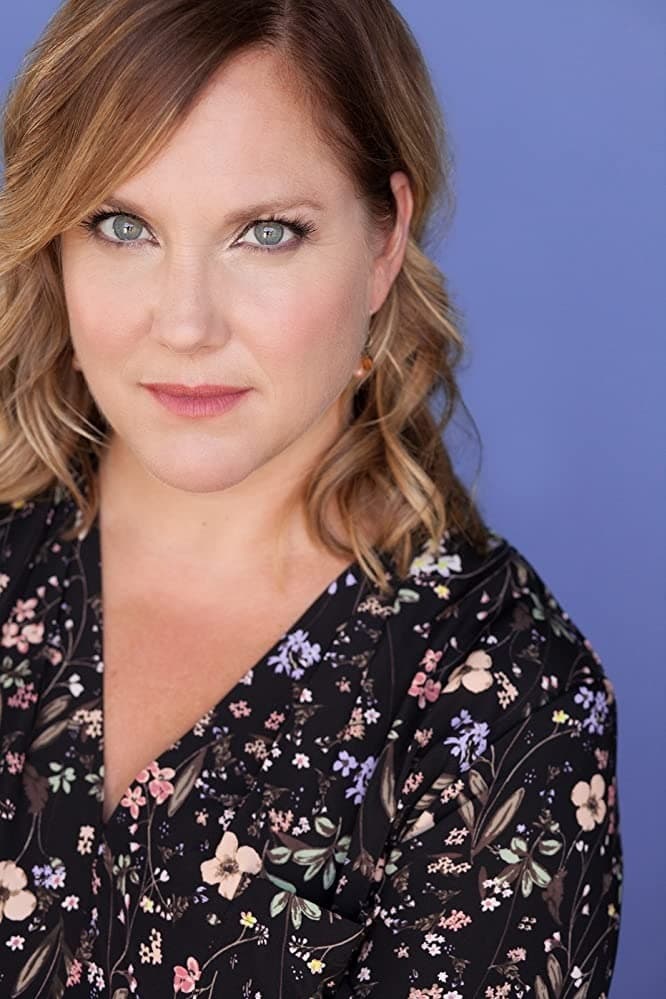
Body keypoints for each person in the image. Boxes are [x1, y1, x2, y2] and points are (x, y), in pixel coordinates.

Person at [0, 1, 622, 996]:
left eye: (265, 233)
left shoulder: (505, 697)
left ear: (383, 243)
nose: (186, 324)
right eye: (123, 226)